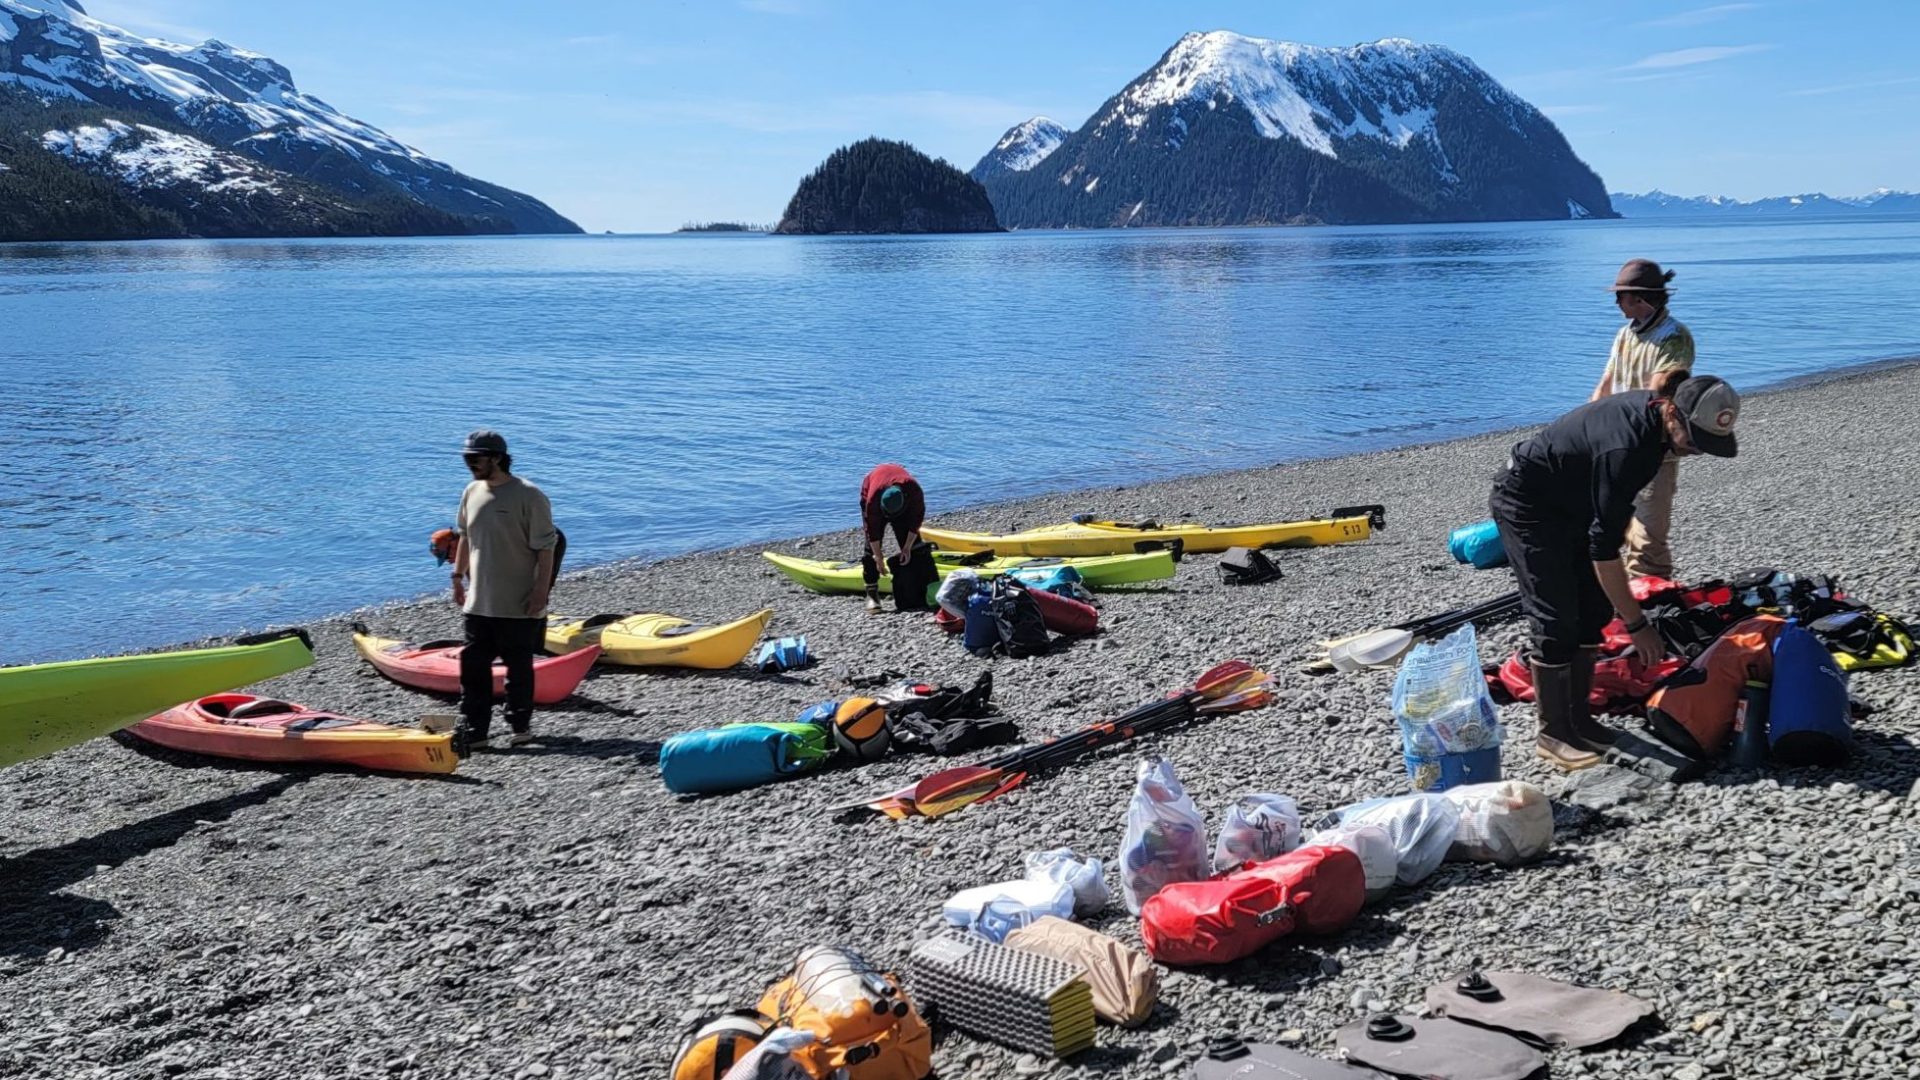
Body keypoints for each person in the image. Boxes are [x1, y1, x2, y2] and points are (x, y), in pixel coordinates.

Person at [1491, 372, 1741, 770]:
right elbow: (1604, 550)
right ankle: (1553, 733)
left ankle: (1580, 721)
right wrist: (1637, 624)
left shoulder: (1654, 429)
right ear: (1673, 412)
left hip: (1573, 504)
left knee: (1592, 610)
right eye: (1694, 439)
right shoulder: (1628, 447)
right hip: (1528, 504)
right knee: (1554, 616)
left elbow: (1604, 534)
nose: (1696, 451)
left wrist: (1620, 611)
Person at [449, 429, 558, 752]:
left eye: (475, 458)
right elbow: (465, 537)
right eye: (466, 458)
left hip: (519, 602)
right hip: (479, 601)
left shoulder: (529, 495)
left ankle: (520, 725)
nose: (470, 464)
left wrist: (540, 592)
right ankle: (476, 729)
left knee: (519, 667)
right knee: (473, 668)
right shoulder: (471, 491)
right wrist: (457, 578)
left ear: (496, 458)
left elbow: (546, 549)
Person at [1590, 258, 1695, 580]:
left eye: (1620, 295)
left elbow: (1660, 388)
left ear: (1639, 298)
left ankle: (1651, 592)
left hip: (1653, 446)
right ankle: (1617, 588)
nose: (1616, 301)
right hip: (1616, 441)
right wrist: (1590, 424)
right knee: (1611, 519)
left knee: (1648, 530)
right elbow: (1607, 383)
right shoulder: (1625, 334)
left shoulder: (1674, 336)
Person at [858, 463, 925, 613]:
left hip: (902, 501)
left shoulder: (914, 491)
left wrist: (907, 547)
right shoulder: (873, 500)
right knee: (871, 550)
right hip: (873, 486)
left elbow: (915, 522)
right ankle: (872, 594)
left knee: (915, 546)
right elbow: (872, 532)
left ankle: (914, 589)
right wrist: (878, 557)